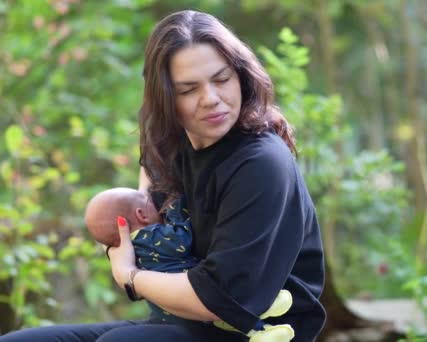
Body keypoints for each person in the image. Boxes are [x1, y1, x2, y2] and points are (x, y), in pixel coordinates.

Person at [0, 9, 325, 342]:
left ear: (241, 76)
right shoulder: (168, 145)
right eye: (187, 90)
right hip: (181, 323)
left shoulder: (261, 163)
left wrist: (130, 276)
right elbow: (145, 209)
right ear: (165, 98)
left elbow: (217, 297)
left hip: (254, 330)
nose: (211, 99)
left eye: (222, 79)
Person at [84, 187, 295, 340]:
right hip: (192, 299)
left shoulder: (129, 249)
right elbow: (181, 240)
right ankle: (261, 330)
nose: (156, 204)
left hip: (167, 312)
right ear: (141, 214)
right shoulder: (151, 236)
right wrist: (176, 208)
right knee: (223, 309)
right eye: (149, 201)